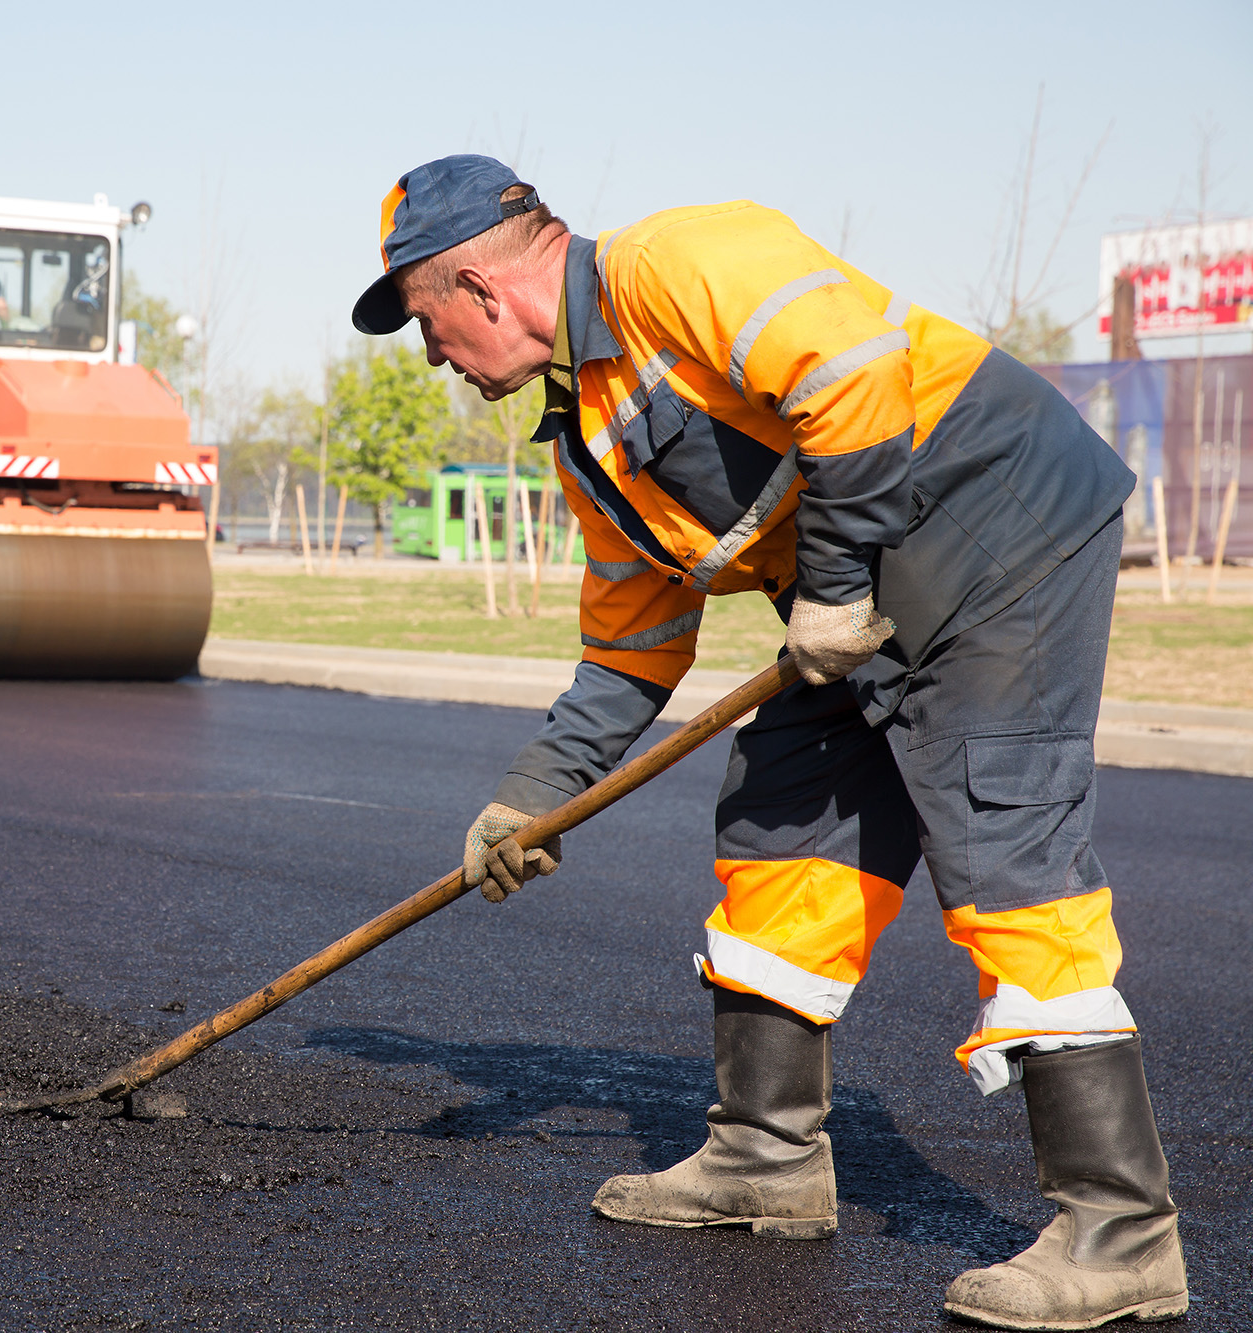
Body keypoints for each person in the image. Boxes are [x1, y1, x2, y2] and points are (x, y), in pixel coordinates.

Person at [352, 155, 1185, 1329]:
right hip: (847, 600)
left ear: (480, 287)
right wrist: (527, 797)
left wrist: (834, 587)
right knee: (779, 821)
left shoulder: (675, 260)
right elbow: (630, 649)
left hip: (995, 526)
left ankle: (1120, 1232)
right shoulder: (586, 434)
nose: (429, 353)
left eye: (423, 321)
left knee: (1003, 849)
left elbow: (850, 379)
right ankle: (762, 1157)